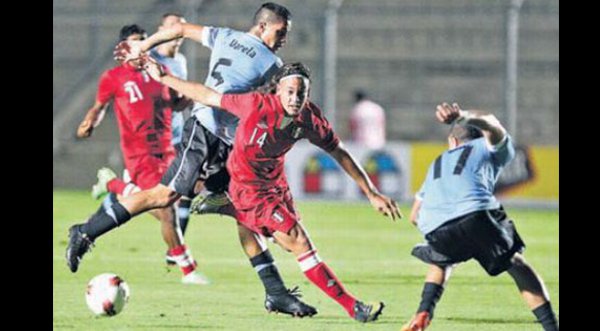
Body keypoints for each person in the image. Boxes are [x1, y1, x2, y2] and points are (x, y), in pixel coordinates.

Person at [68, 3, 319, 317]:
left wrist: (143, 46)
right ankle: (86, 231)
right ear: (263, 26)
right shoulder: (271, 62)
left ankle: (276, 293)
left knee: (244, 212)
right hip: (205, 132)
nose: (283, 38)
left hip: (224, 142)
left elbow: (179, 29)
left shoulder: (225, 36)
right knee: (164, 196)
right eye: (280, 32)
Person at [143, 60, 402, 322]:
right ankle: (353, 307)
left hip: (276, 184)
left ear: (307, 95)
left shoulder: (309, 118)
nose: (295, 98)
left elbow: (338, 151)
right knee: (299, 241)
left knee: (287, 244)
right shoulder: (255, 104)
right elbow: (208, 95)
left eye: (301, 93)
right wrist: (164, 78)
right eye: (289, 91)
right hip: (248, 187)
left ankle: (227, 207)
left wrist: (371, 192)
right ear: (278, 91)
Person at [400, 103, 559, 331]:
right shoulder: (488, 146)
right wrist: (463, 115)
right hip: (476, 214)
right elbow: (491, 122)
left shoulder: (437, 162)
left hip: (435, 228)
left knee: (443, 259)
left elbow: (414, 215)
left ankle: (423, 312)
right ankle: (551, 327)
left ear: (452, 142)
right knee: (516, 264)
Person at [69, 24, 207, 285]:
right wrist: (89, 122)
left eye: (144, 43)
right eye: (135, 43)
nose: (142, 48)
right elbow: (99, 107)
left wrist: (190, 98)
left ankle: (115, 187)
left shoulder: (158, 71)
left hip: (167, 150)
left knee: (183, 194)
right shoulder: (113, 77)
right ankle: (188, 270)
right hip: (139, 155)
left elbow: (176, 103)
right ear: (123, 49)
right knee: (166, 209)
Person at [91, 13, 195, 266]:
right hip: (151, 145)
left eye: (179, 26)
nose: (176, 30)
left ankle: (113, 193)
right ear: (161, 30)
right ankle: (180, 257)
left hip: (177, 138)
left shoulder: (178, 61)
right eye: (171, 26)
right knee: (162, 202)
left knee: (176, 196)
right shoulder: (149, 60)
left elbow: (175, 98)